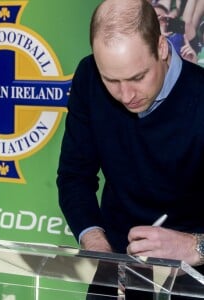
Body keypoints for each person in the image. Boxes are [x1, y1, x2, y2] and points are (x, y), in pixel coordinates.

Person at [56, 0, 204, 299]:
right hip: (117, 274)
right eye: (111, 79)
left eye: (138, 77)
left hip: (194, 280)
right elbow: (74, 175)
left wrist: (195, 246)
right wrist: (96, 243)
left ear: (162, 48)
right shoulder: (88, 77)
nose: (125, 95)